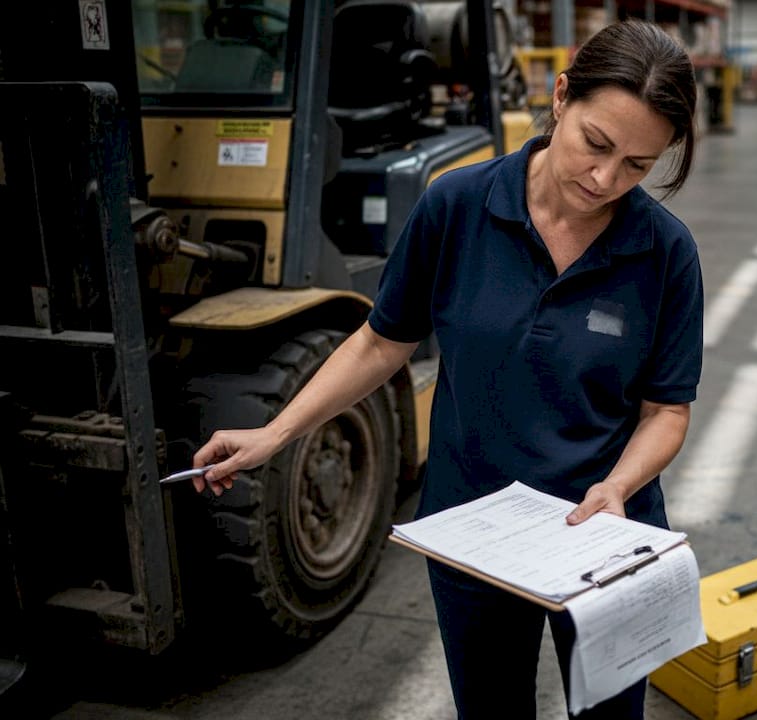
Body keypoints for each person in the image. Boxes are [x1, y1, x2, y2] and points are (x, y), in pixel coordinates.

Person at [191, 20, 703, 719]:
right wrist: (275, 434)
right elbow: (380, 343)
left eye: (638, 166)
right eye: (597, 144)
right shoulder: (456, 207)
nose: (605, 179)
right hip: (475, 530)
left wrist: (617, 488)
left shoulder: (664, 252)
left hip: (605, 538)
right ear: (560, 99)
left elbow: (666, 413)